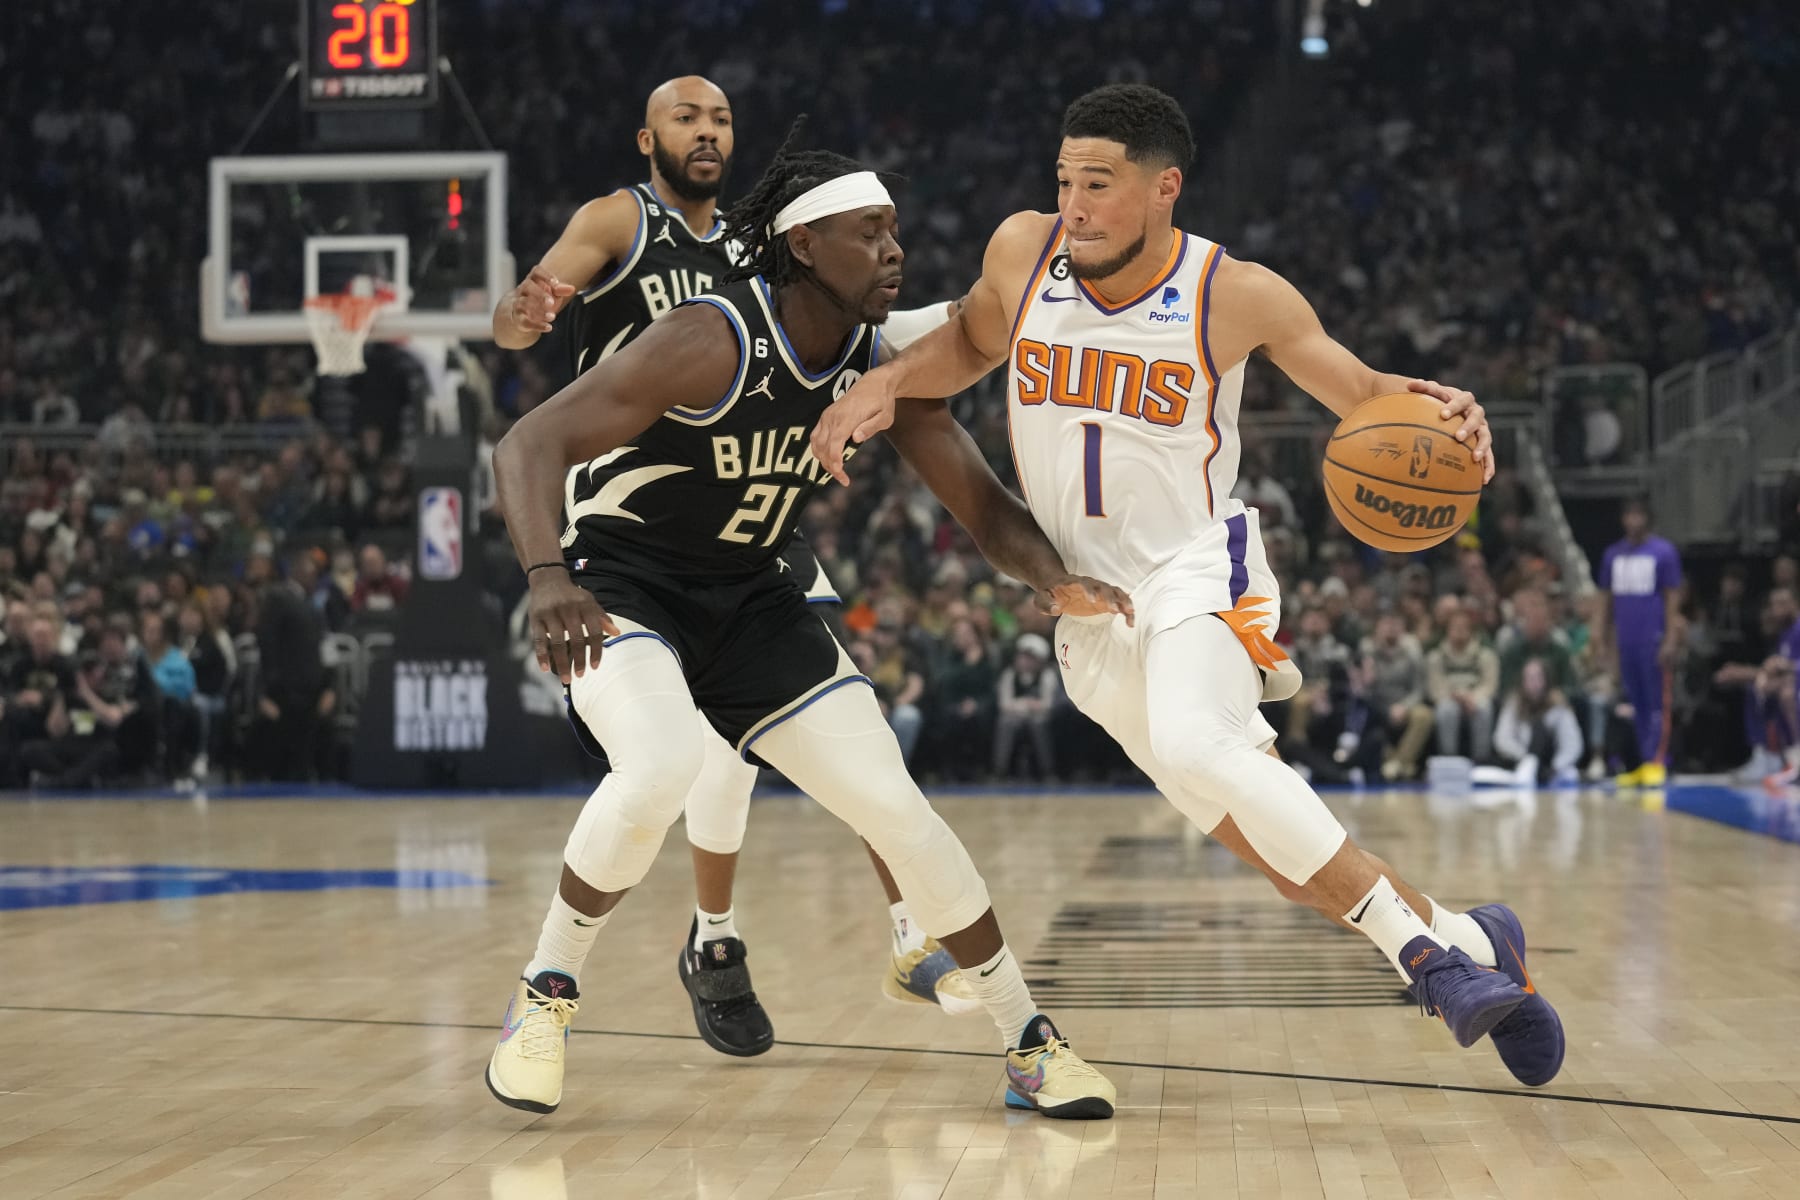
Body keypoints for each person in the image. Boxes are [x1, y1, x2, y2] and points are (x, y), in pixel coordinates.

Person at [814, 83, 1563, 1088]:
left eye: (1099, 185)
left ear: (1165, 188)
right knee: (1282, 861)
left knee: (1196, 739)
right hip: (1089, 608)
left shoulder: (1234, 293)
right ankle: (1476, 937)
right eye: (1065, 180)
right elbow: (973, 340)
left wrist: (1450, 411)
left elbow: (1364, 395)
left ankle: (1424, 964)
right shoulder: (1024, 251)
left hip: (1198, 567)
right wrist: (889, 379)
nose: (1074, 205)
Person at [484, 136, 1129, 1119]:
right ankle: (544, 994)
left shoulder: (876, 365)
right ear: (805, 244)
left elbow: (983, 504)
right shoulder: (709, 336)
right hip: (628, 583)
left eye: (896, 231)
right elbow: (530, 442)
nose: (894, 249)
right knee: (659, 769)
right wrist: (545, 578)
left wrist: (1054, 579)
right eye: (871, 232)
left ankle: (1027, 1041)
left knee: (896, 806)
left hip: (752, 596)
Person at [489, 78, 981, 1053]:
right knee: (697, 754)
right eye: (686, 118)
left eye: (718, 119)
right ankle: (709, 939)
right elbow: (523, 324)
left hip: (748, 491)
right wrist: (524, 315)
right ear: (647, 138)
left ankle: (894, 931)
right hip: (640, 495)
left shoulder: (764, 242)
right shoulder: (617, 219)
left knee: (827, 731)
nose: (707, 132)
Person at [1594, 498, 1683, 786]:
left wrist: (1670, 637)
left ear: (1648, 518)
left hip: (1653, 637)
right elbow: (1606, 599)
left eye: (1638, 515)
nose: (1633, 521)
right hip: (1626, 640)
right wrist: (1601, 636)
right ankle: (1645, 761)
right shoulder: (1613, 555)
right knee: (1636, 703)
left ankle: (1659, 761)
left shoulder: (1663, 552)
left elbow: (1672, 597)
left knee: (1658, 703)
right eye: (1629, 515)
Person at [1488, 658, 1584, 786]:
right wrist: (1526, 758)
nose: (1533, 683)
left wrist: (1556, 765)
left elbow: (1573, 744)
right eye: (1529, 678)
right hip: (1519, 761)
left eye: (1537, 677)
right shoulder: (1513, 703)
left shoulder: (1559, 705)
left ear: (1546, 680)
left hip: (1551, 765)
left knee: (1540, 729)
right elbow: (1502, 739)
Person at [1427, 606, 1498, 762]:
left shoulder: (1485, 655)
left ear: (1471, 630)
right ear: (1447, 630)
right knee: (1446, 710)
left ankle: (1481, 761)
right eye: (1455, 627)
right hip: (1449, 698)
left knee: (1484, 708)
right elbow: (1435, 688)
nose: (1459, 631)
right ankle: (1449, 759)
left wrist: (1471, 697)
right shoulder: (1436, 656)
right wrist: (1457, 696)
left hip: (1475, 698)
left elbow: (1490, 685)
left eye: (1463, 627)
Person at [993, 632, 1058, 778]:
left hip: (1041, 717)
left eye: (1030, 657)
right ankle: (1000, 770)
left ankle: (1048, 771)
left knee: (1038, 724)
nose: (1024, 661)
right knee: (1006, 723)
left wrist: (1024, 705)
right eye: (1022, 656)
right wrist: (1027, 704)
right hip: (1015, 716)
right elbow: (1004, 704)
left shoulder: (1047, 675)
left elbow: (1048, 704)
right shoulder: (1009, 675)